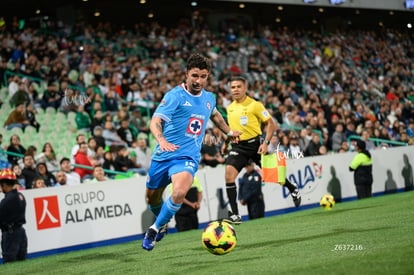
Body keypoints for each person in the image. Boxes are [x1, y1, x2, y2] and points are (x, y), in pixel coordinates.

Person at [141, 53, 241, 251]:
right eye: (195, 75)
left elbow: (216, 116)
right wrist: (161, 140)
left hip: (187, 157)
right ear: (186, 74)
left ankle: (153, 229)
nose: (198, 81)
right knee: (151, 198)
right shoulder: (174, 96)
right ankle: (162, 225)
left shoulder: (209, 98)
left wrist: (228, 132)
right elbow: (155, 121)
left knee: (179, 192)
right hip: (163, 155)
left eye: (203, 76)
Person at [222, 76, 301, 224]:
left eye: (239, 86)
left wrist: (265, 143)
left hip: (256, 145)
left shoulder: (255, 105)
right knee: (229, 175)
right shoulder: (230, 107)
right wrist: (226, 144)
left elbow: (271, 125)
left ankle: (292, 188)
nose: (236, 90)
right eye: (233, 87)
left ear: (245, 88)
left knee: (276, 177)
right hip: (238, 147)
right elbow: (231, 130)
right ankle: (235, 214)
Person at [0, 168, 27, 263]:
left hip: (10, 235)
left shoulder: (6, 201)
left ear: (4, 184)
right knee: (22, 263)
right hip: (21, 232)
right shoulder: (21, 196)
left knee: (10, 263)